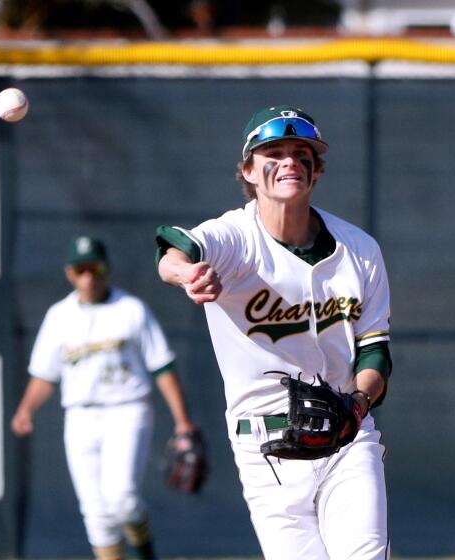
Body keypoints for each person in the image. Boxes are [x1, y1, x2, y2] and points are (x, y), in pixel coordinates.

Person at [155, 105, 392, 559]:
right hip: (265, 448)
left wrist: (358, 404)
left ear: (315, 170)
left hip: (347, 436)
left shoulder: (359, 249)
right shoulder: (235, 238)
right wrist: (187, 275)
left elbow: (375, 352)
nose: (289, 161)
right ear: (248, 169)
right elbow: (175, 249)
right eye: (274, 152)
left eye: (301, 153)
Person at [11, 235, 195, 560]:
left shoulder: (130, 309)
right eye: (81, 269)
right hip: (80, 416)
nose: (88, 276)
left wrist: (182, 422)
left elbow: (161, 365)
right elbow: (44, 373)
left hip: (127, 409)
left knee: (122, 498)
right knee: (96, 513)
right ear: (70, 273)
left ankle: (145, 553)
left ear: (105, 269)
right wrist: (26, 409)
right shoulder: (59, 316)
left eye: (94, 268)